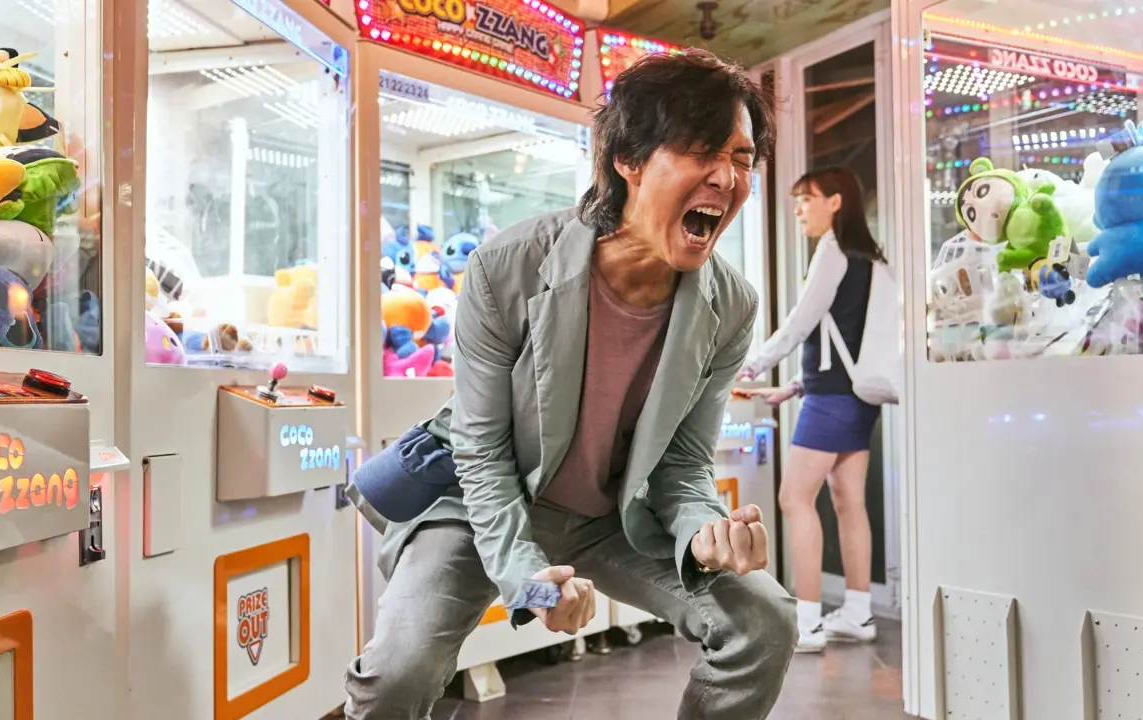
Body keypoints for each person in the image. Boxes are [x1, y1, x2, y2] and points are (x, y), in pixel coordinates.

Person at [344, 50, 798, 719]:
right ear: (628, 159)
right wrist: (531, 585)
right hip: (477, 504)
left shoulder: (731, 306)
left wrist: (706, 531)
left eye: (741, 158)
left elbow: (682, 466)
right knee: (397, 675)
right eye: (702, 150)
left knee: (763, 620)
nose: (727, 177)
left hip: (611, 521)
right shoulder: (507, 267)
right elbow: (480, 452)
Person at [737, 166, 885, 654]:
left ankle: (806, 621)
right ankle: (858, 613)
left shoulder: (833, 250)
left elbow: (801, 323)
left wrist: (751, 366)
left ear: (835, 202)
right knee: (848, 501)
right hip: (856, 395)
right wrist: (797, 386)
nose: (799, 210)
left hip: (832, 399)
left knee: (794, 498)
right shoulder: (869, 256)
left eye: (807, 199)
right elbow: (845, 337)